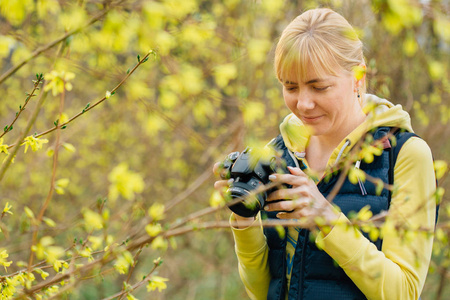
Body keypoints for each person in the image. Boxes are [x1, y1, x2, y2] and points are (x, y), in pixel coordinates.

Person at [213, 7, 437, 300]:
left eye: (318, 87)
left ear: (358, 76)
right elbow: (261, 290)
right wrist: (244, 221)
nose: (303, 103)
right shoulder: (277, 154)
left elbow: (403, 292)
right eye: (290, 87)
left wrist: (326, 217)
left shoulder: (403, 155)